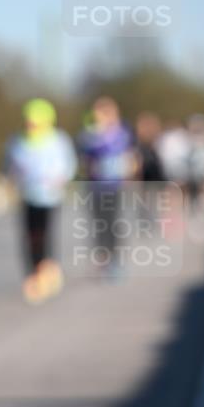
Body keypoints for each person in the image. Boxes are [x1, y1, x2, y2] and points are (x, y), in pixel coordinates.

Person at [4, 98, 77, 302]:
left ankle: (46, 271)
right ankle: (33, 274)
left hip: (50, 197)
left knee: (44, 235)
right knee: (29, 237)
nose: (31, 125)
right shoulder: (17, 141)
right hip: (27, 195)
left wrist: (59, 179)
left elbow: (68, 166)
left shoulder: (58, 140)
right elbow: (9, 166)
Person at [77, 96, 137, 279]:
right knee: (99, 223)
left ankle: (115, 260)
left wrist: (130, 174)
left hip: (114, 185)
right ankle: (103, 258)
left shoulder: (122, 133)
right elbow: (84, 159)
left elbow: (131, 157)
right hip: (95, 185)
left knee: (112, 223)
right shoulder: (89, 135)